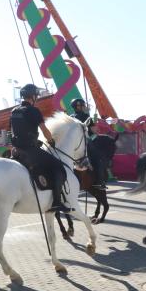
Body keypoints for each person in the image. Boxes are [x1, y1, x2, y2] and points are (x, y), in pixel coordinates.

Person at [9, 84, 71, 213]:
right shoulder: (33, 110)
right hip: (30, 150)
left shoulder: (14, 111)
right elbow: (44, 129)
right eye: (36, 95)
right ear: (33, 96)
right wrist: (51, 141)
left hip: (16, 150)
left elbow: (13, 130)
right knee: (58, 167)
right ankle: (57, 202)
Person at [69, 98, 107, 189]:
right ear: (79, 106)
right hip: (85, 141)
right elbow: (94, 131)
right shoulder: (86, 116)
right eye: (82, 106)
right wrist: (93, 127)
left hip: (72, 143)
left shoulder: (70, 117)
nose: (83, 107)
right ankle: (99, 182)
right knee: (98, 159)